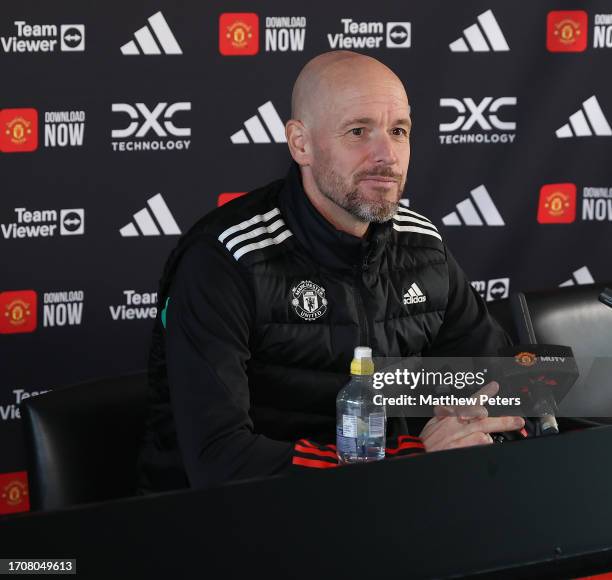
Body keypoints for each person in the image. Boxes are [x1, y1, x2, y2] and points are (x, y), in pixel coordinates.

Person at [136, 51, 524, 494]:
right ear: (301, 143)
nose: (386, 155)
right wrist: (414, 460)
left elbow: (508, 386)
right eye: (359, 131)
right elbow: (220, 460)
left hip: (393, 511)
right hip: (238, 527)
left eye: (399, 131)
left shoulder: (422, 245)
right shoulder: (224, 259)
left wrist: (487, 431)